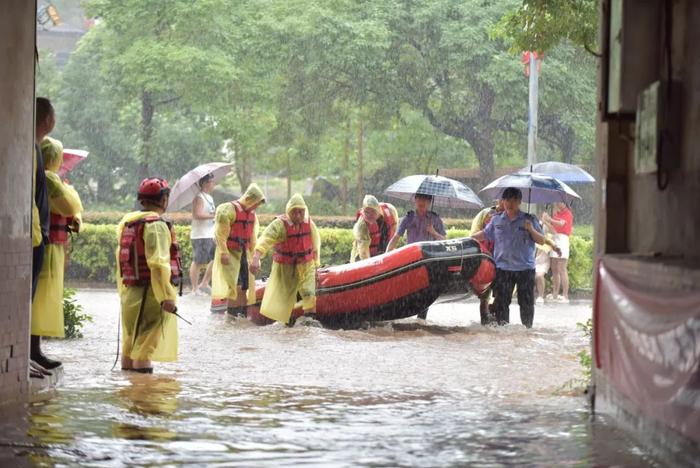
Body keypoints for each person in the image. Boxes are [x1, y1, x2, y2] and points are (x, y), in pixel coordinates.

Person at [116, 178, 181, 373]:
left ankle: (129, 393)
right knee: (145, 348)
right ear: (163, 200)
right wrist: (166, 297)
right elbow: (159, 264)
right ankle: (146, 399)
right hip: (150, 295)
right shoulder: (156, 225)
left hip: (131, 293)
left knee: (131, 343)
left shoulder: (128, 221)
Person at [471, 188, 561, 328]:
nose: (509, 203)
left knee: (526, 303)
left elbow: (541, 240)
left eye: (513, 200)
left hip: (525, 269)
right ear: (503, 201)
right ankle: (503, 330)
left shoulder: (529, 219)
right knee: (501, 303)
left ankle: (527, 329)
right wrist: (468, 239)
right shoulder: (496, 220)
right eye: (507, 200)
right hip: (503, 269)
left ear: (519, 202)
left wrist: (530, 229)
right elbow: (484, 234)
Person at [31, 137, 83, 352]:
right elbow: (69, 206)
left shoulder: (49, 179)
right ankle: (34, 350)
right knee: (42, 299)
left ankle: (35, 350)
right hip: (49, 245)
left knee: (42, 298)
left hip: (51, 244)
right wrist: (69, 191)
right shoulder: (50, 179)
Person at [250, 194, 321, 326]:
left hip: (306, 265)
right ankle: (287, 324)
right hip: (285, 267)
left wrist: (316, 267)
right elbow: (265, 240)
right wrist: (256, 258)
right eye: (295, 212)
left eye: (301, 212)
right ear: (289, 212)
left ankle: (310, 322)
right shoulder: (279, 225)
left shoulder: (309, 224)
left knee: (309, 293)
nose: (299, 215)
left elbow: (315, 247)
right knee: (286, 298)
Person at [210, 183, 266, 315]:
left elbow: (253, 238)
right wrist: (223, 252)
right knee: (235, 285)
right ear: (249, 199)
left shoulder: (251, 214)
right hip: (229, 253)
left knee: (244, 286)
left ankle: (241, 315)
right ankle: (231, 316)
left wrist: (255, 259)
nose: (256, 206)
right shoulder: (227, 210)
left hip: (243, 253)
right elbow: (220, 233)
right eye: (256, 203)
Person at [29, 97, 54, 377]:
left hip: (36, 233)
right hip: (32, 234)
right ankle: (25, 356)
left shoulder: (35, 146)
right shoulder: (29, 146)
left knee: (30, 298)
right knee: (26, 297)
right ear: (48, 120)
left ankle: (29, 353)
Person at [470, 199, 504, 325]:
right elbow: (475, 233)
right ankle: (485, 320)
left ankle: (496, 314)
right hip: (486, 258)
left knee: (501, 294)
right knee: (485, 294)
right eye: (502, 199)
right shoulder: (486, 213)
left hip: (502, 260)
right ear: (498, 200)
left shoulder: (510, 216)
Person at [189, 173, 216, 295]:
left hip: (210, 234)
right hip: (200, 235)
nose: (214, 184)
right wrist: (214, 216)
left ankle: (205, 283)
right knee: (198, 261)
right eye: (212, 182)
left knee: (215, 259)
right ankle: (195, 288)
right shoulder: (199, 197)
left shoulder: (209, 197)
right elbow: (197, 215)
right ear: (205, 183)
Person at [350, 195, 399, 262]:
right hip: (364, 257)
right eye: (367, 212)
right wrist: (372, 265)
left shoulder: (390, 210)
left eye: (373, 211)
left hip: (386, 252)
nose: (370, 215)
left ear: (378, 209)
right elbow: (364, 253)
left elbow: (395, 231)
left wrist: (390, 251)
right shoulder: (361, 226)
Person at [543, 202, 573, 303]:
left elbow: (561, 223)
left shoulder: (568, 213)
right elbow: (553, 229)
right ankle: (555, 293)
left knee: (562, 268)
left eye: (560, 202)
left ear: (565, 203)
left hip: (563, 239)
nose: (558, 204)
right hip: (555, 238)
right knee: (554, 268)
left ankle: (565, 295)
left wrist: (549, 219)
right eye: (557, 202)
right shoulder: (556, 214)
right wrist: (545, 221)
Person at [534, 212, 555, 304]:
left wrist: (546, 222)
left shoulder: (549, 235)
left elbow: (554, 232)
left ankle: (540, 296)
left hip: (543, 260)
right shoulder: (535, 228)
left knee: (539, 275)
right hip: (532, 260)